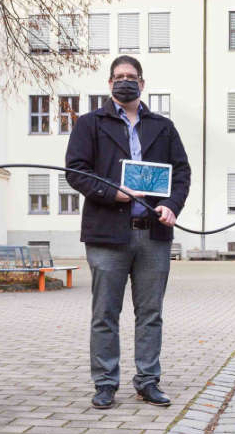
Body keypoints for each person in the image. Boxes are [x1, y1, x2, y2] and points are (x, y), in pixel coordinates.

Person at [65, 55, 191, 410]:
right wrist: (114, 192)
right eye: (119, 76)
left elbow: (181, 173)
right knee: (105, 313)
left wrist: (172, 206)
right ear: (109, 84)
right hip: (107, 234)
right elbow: (76, 171)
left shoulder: (163, 127)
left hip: (153, 235)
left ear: (142, 83)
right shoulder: (90, 124)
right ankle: (105, 382)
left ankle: (148, 381)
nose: (125, 81)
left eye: (131, 76)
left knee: (150, 313)